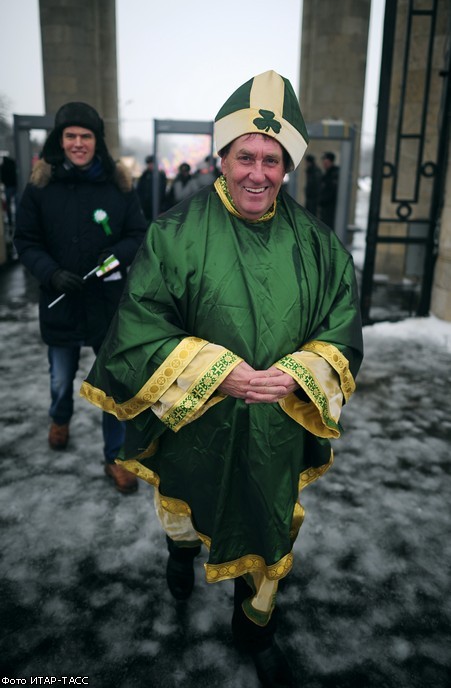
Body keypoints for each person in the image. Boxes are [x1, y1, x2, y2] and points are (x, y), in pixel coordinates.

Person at [80, 71, 363, 686]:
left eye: (271, 160)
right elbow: (137, 329)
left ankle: (254, 627)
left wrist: (296, 375)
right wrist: (212, 371)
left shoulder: (319, 247)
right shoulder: (172, 235)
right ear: (222, 157)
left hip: (275, 424)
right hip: (196, 416)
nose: (257, 173)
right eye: (245, 157)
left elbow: (342, 330)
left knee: (265, 520)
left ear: (287, 167)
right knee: (187, 498)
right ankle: (179, 552)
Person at [14, 101, 147, 494]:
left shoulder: (119, 185)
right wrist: (50, 274)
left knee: (113, 387)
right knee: (60, 379)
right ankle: (60, 417)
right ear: (60, 140)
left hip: (107, 306)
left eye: (85, 136)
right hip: (61, 302)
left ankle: (116, 457)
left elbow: (138, 234)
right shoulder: (40, 187)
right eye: (70, 135)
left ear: (96, 142)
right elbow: (26, 240)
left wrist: (116, 257)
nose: (77, 143)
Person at [136, 154, 167, 222]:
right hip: (145, 207)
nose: (150, 166)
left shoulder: (160, 175)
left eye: (151, 163)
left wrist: (162, 208)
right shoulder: (145, 175)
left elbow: (162, 193)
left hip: (156, 206)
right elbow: (139, 190)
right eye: (149, 164)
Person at [319, 151, 339, 229]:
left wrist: (323, 200)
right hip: (326, 209)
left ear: (331, 162)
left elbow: (331, 192)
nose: (324, 165)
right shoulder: (327, 174)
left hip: (330, 209)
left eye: (326, 163)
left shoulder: (334, 175)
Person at [1, 155, 18, 227]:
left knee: (8, 205)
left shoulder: (2, 167)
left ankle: (10, 221)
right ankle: (17, 219)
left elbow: (1, 177)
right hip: (15, 186)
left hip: (8, 187)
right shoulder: (13, 164)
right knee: (17, 203)